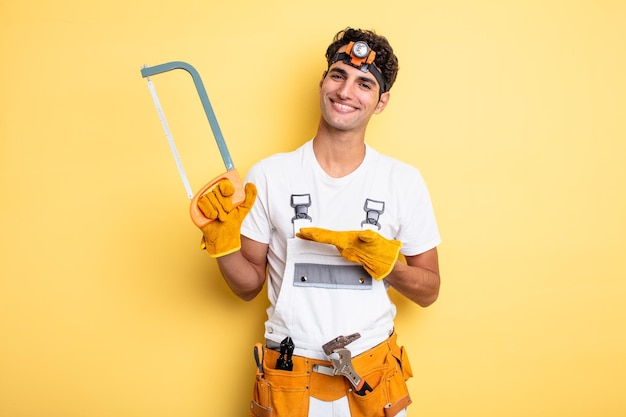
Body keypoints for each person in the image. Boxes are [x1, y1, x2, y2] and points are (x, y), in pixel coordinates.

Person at [196, 27, 441, 417]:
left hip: (372, 378)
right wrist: (222, 245)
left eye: (365, 83)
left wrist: (389, 267)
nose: (346, 91)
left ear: (381, 102)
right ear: (322, 82)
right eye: (339, 75)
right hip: (289, 378)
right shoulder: (271, 175)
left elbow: (429, 291)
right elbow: (247, 287)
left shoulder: (402, 181)